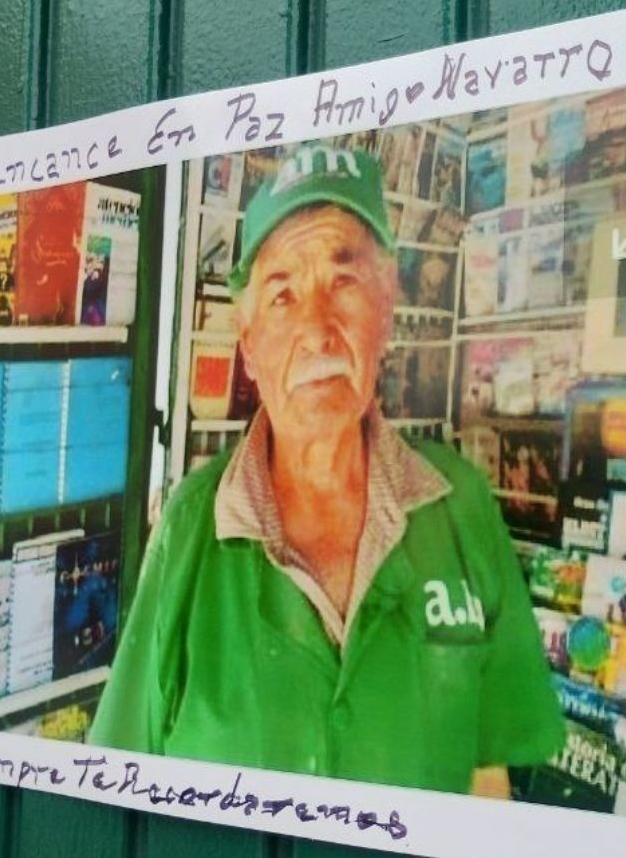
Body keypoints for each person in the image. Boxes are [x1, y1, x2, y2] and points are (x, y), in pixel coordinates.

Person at [90, 146, 564, 797]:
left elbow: (489, 776)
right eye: (282, 296)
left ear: (387, 309)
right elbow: (117, 785)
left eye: (343, 282)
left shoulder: (462, 504)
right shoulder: (192, 527)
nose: (317, 330)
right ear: (250, 346)